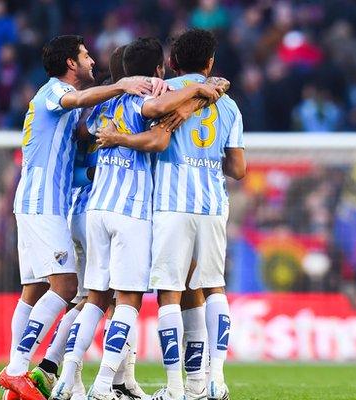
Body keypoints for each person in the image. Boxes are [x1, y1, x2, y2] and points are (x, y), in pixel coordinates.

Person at [58, 37, 223, 400]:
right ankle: (104, 384)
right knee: (129, 300)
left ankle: (65, 380)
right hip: (131, 211)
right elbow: (159, 136)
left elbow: (84, 131)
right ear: (158, 71)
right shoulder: (145, 100)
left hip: (94, 209)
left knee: (95, 298)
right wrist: (200, 90)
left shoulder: (100, 105)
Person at [0, 34, 156, 400]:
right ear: (71, 63)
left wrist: (112, 131)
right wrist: (123, 85)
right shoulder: (53, 92)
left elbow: (84, 129)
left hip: (43, 203)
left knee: (35, 290)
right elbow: (80, 99)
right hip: (44, 204)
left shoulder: (64, 108)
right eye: (84, 56)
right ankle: (18, 369)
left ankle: (17, 381)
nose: (89, 61)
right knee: (67, 287)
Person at [148, 28, 245, 400]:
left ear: (172, 62)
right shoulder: (229, 105)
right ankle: (214, 381)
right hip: (213, 206)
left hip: (172, 204)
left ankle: (175, 389)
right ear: (210, 63)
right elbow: (237, 169)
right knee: (212, 287)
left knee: (170, 292)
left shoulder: (166, 94)